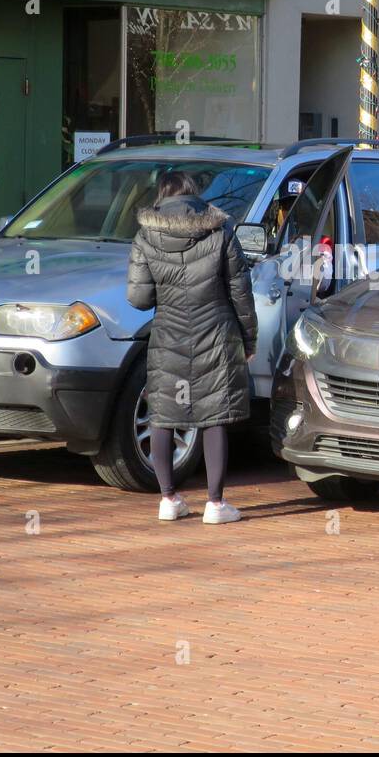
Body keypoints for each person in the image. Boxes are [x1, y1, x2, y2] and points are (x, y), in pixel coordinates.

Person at [127, 171, 258, 525]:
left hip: (168, 334)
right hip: (216, 333)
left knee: (164, 414)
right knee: (214, 414)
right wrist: (249, 339)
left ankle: (168, 499)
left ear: (162, 197)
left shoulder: (146, 236)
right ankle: (216, 505)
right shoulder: (219, 230)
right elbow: (240, 292)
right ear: (193, 195)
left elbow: (138, 298)